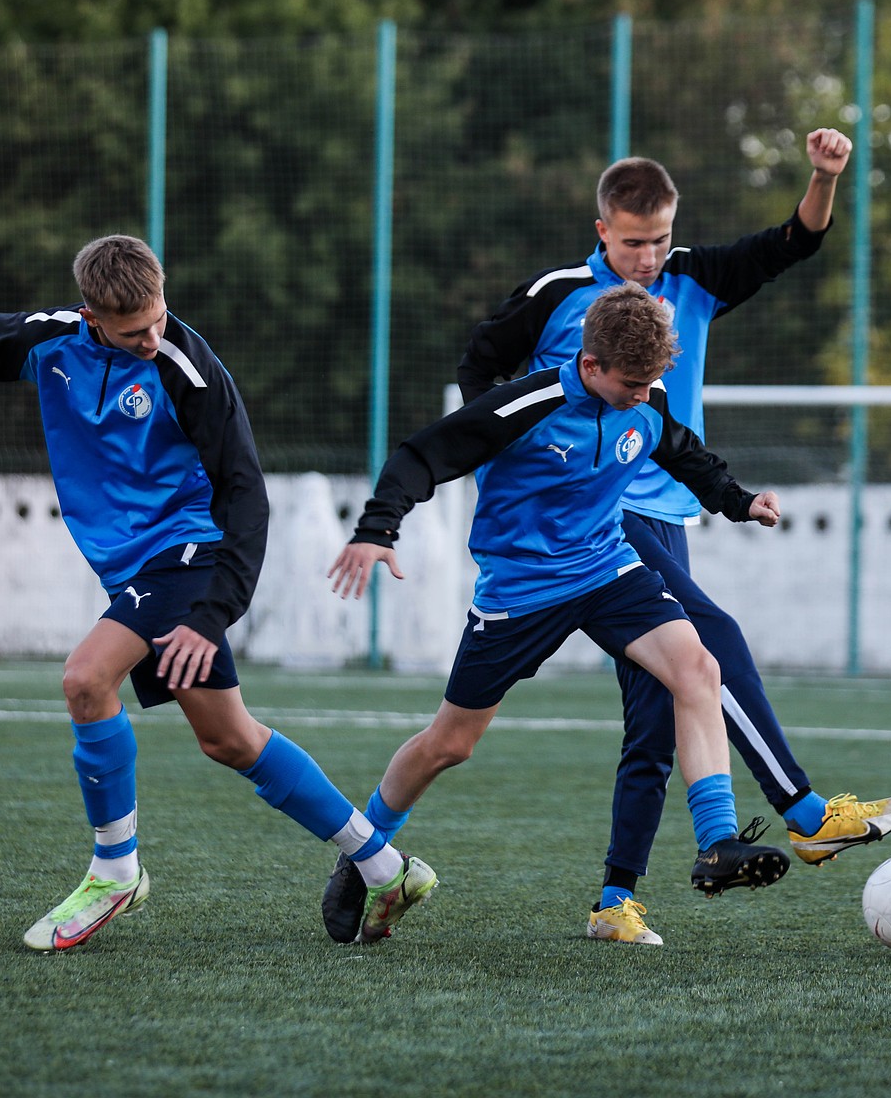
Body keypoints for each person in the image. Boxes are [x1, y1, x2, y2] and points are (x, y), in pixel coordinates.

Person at [440, 131, 891, 945]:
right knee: (711, 641)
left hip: (668, 516)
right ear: (602, 232)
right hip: (597, 516)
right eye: (632, 242)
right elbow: (478, 364)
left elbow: (793, 242)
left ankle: (614, 903)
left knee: (656, 717)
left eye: (659, 239)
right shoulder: (558, 294)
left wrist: (824, 177)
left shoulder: (691, 277)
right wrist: (510, 454)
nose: (649, 257)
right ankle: (804, 811)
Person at [0, 233, 435, 951]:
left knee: (85, 680)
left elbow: (244, 494)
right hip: (132, 567)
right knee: (229, 739)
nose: (153, 337)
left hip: (185, 554)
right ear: (91, 315)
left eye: (160, 317)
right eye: (134, 330)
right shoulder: (45, 342)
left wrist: (213, 612)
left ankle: (115, 870)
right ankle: (384, 865)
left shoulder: (188, 370)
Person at [323, 284, 792, 942]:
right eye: (631, 382)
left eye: (652, 381)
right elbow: (420, 455)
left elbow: (685, 455)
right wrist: (377, 529)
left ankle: (718, 842)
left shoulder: (644, 399)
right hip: (521, 589)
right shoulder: (527, 404)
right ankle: (363, 855)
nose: (642, 394)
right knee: (448, 746)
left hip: (607, 568)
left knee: (697, 669)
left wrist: (740, 502)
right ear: (590, 365)